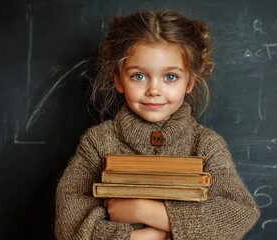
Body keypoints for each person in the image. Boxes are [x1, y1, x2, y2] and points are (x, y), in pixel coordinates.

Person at [55, 10, 260, 240]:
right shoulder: (98, 142)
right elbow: (69, 222)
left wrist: (144, 211)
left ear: (190, 81)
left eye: (170, 77)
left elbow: (239, 213)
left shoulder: (206, 145)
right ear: (118, 79)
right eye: (139, 76)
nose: (154, 90)